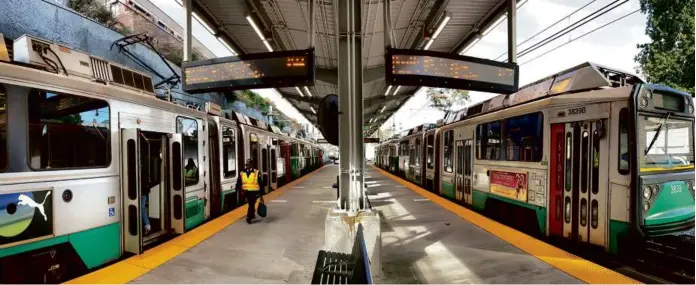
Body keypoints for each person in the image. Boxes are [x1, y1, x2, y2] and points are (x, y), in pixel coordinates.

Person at [236, 158, 264, 224]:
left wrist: (261, 193)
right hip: (246, 191)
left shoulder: (256, 172)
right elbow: (239, 182)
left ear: (252, 165)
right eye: (246, 165)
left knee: (251, 204)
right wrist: (239, 190)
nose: (247, 166)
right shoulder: (242, 173)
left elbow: (260, 183)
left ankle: (249, 218)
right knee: (251, 203)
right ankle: (252, 214)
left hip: (254, 192)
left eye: (248, 165)